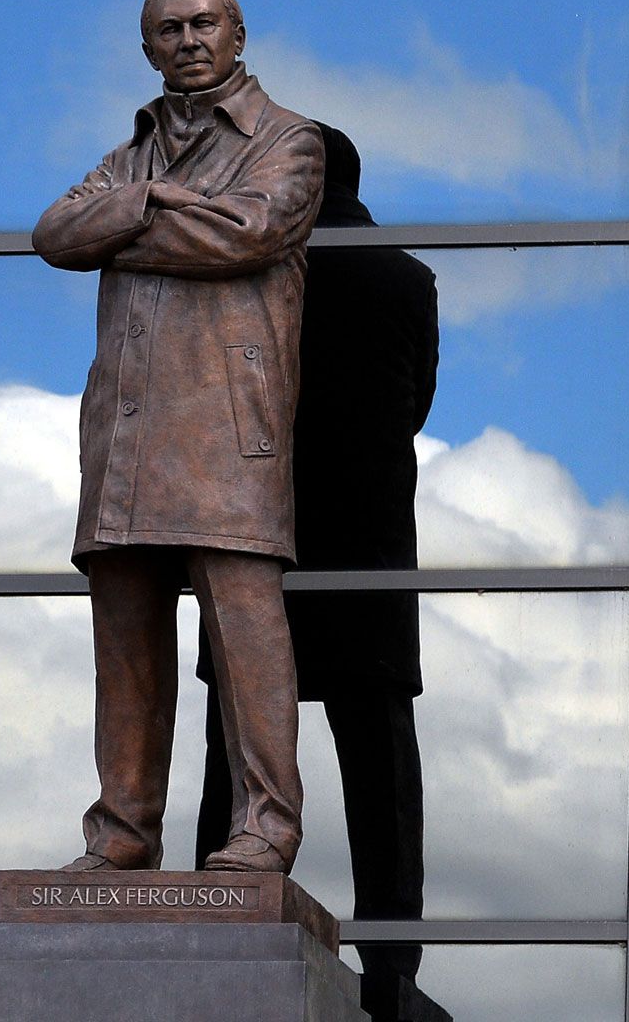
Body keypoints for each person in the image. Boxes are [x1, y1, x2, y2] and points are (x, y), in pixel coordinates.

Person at [32, 0, 324, 875]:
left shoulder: (290, 140)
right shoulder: (134, 156)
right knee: (125, 643)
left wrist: (121, 229)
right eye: (169, 29)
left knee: (247, 637)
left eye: (205, 24)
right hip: (125, 439)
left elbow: (249, 234)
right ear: (149, 48)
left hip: (228, 434)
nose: (188, 39)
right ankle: (122, 833)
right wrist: (152, 200)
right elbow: (53, 235)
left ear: (239, 35)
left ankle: (268, 827)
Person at [192, 124, 443, 1019]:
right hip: (370, 547)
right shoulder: (407, 277)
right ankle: (392, 971)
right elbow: (412, 407)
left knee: (236, 752)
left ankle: (214, 925)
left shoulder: (254, 271)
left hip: (267, 535)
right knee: (380, 761)